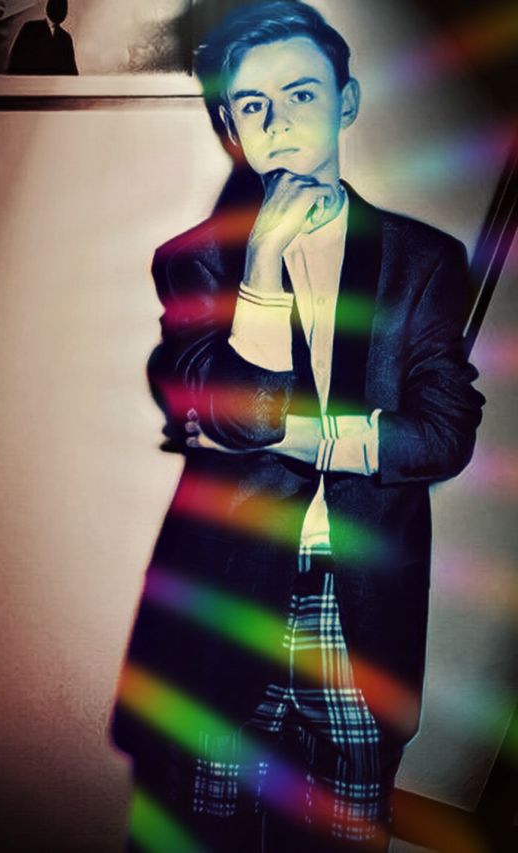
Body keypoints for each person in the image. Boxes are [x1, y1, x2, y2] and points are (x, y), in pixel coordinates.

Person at [111, 2, 485, 850]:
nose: (277, 122)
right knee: (204, 824)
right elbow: (241, 417)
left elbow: (444, 435)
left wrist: (293, 433)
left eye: (302, 94)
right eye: (253, 104)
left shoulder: (425, 262)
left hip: (364, 610)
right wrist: (263, 264)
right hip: (228, 601)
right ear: (228, 126)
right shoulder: (194, 262)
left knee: (350, 828)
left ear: (347, 101)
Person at [7, 0, 78, 75]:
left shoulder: (66, 38)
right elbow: (16, 60)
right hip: (30, 80)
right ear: (48, 8)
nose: (61, 11)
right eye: (57, 6)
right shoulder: (30, 28)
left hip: (54, 82)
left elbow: (72, 71)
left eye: (64, 9)